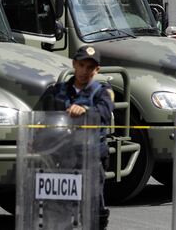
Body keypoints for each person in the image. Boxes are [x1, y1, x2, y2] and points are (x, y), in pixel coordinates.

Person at [39, 46, 113, 230]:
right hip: (62, 159)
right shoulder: (56, 91)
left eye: (90, 67)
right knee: (61, 209)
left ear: (97, 70)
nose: (84, 71)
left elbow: (104, 111)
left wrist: (86, 111)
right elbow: (40, 118)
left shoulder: (101, 92)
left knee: (93, 209)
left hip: (91, 158)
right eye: (81, 65)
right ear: (74, 64)